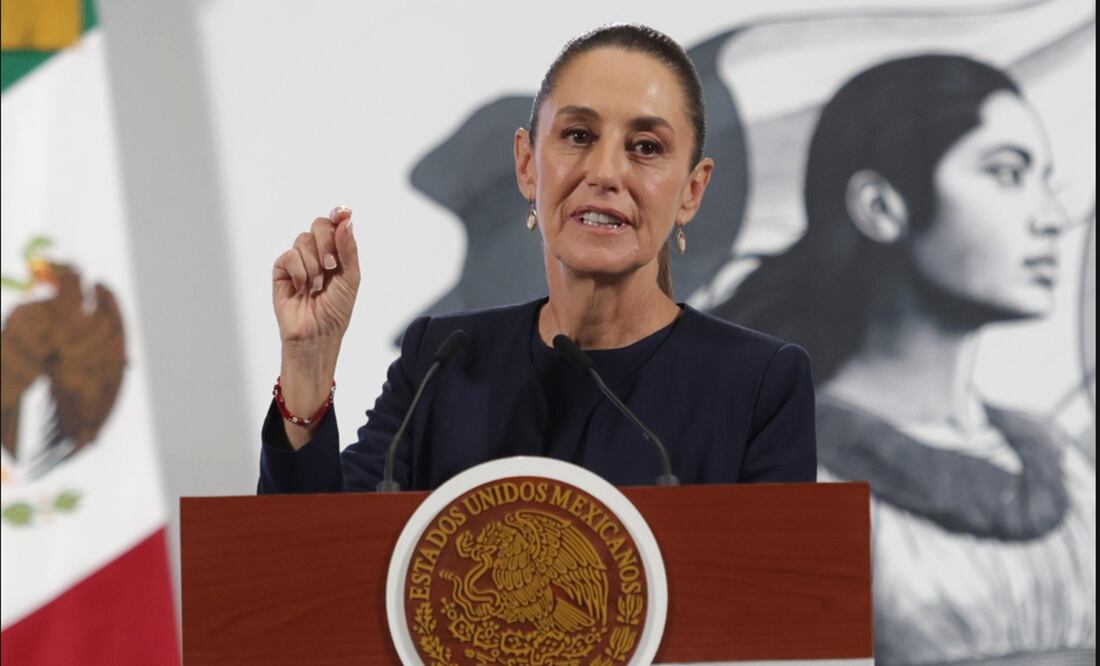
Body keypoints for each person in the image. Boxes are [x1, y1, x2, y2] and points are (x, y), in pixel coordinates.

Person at [259, 24, 817, 494]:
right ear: (527, 165)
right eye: (578, 135)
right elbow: (315, 564)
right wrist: (308, 361)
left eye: (646, 147)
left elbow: (781, 603)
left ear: (692, 192)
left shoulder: (759, 384)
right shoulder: (442, 364)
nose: (605, 173)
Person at [715, 55, 1095, 664]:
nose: (1051, 218)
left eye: (1045, 180)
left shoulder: (1068, 468)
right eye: (1006, 174)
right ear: (882, 207)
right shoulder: (778, 471)